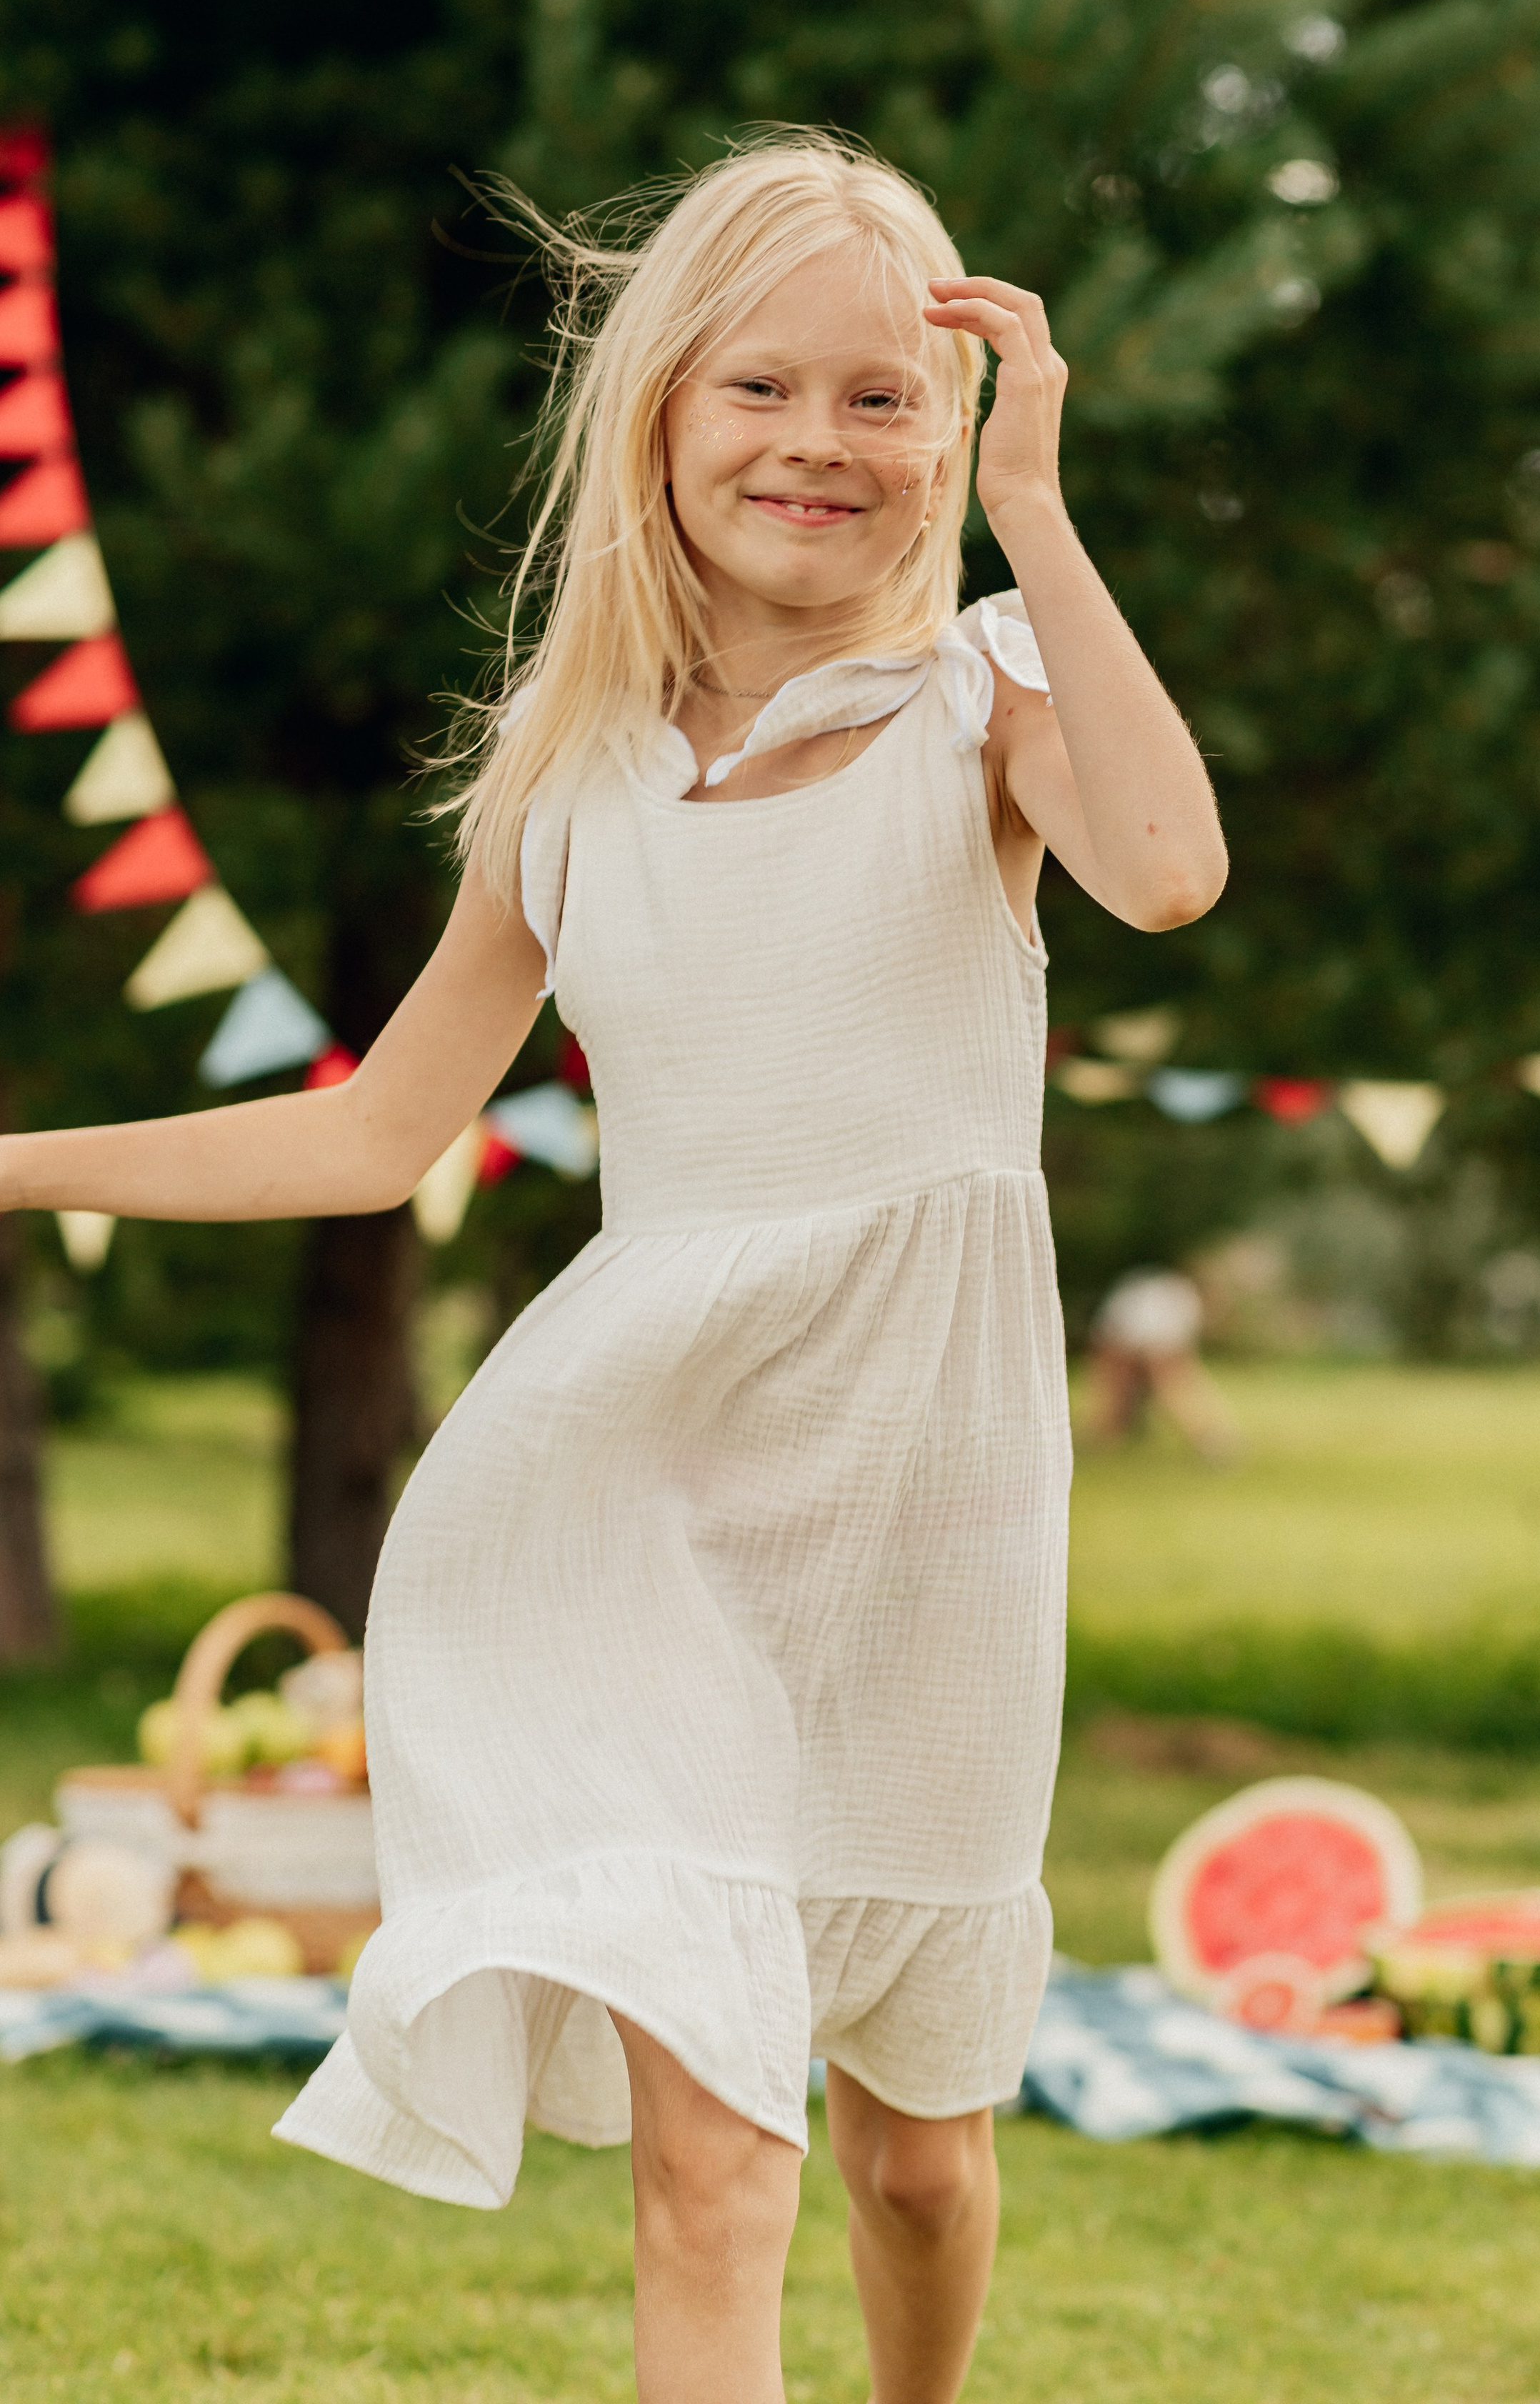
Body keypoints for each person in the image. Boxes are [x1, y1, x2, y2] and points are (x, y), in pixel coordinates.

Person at [1, 134, 1227, 2403]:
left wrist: (1040, 519)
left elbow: (1164, 869)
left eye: (883, 397)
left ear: (951, 430)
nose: (816, 441)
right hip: (631, 1497)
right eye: (760, 384)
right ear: (658, 410)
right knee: (713, 2159)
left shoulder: (980, 701)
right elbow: (368, 1134)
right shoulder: (562, 780)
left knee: (915, 2156)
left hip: (925, 1511)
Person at [1083, 1266, 1241, 1464]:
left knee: (1126, 1396)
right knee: (1171, 1392)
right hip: (1125, 1340)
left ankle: (1107, 1441)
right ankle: (1210, 1439)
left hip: (1123, 1336)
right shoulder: (1184, 1300)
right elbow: (1160, 1350)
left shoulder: (1173, 1292)